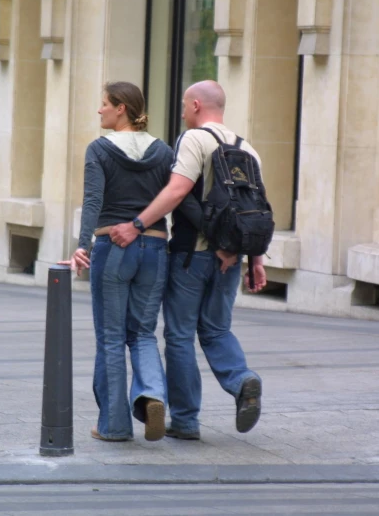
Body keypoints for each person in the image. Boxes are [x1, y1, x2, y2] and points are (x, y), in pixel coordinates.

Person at [109, 80, 266, 440]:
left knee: (179, 336)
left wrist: (137, 224)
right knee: (216, 329)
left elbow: (178, 192)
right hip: (231, 259)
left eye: (183, 105)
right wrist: (253, 258)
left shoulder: (193, 139)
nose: (182, 111)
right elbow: (256, 210)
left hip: (190, 256)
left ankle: (185, 419)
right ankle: (242, 380)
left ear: (196, 105)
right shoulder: (248, 149)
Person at [62, 81, 175, 442]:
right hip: (156, 248)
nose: (100, 110)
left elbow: (93, 201)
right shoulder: (163, 151)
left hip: (113, 247)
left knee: (111, 338)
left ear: (121, 108)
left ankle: (114, 425)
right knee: (142, 333)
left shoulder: (99, 149)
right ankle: (153, 395)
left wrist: (82, 246)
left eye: (104, 104)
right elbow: (179, 198)